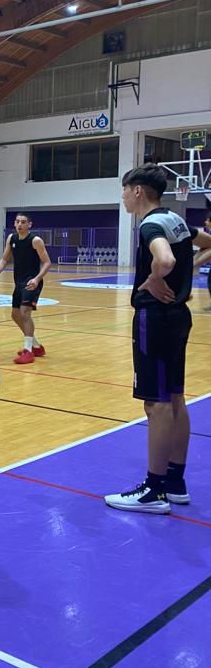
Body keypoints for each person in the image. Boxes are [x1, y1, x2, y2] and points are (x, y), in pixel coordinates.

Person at [105, 165, 211, 514]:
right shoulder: (176, 221)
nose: (122, 197)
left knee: (156, 404)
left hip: (156, 318)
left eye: (124, 190)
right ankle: (174, 482)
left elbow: (164, 259)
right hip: (179, 317)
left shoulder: (151, 224)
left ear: (137, 191)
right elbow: (207, 244)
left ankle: (153, 489)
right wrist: (189, 270)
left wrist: (153, 278)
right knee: (176, 398)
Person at [0, 213, 52, 364]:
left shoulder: (35, 241)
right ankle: (36, 346)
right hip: (18, 282)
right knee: (15, 315)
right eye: (17, 222)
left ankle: (28, 351)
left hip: (32, 282)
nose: (19, 225)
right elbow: (5, 258)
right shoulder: (12, 238)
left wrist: (37, 279)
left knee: (25, 313)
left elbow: (47, 262)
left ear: (29, 224)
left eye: (23, 222)